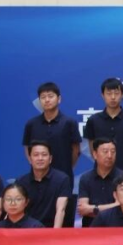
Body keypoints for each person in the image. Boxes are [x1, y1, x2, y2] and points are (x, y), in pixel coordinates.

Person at [21, 82, 81, 227]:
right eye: (43, 97)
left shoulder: (69, 122)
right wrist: (35, 165)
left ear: (59, 99)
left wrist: (67, 166)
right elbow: (27, 147)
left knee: (63, 215)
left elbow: (76, 150)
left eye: (50, 96)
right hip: (37, 178)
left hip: (63, 176)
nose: (47, 100)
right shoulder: (32, 124)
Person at [83, 78, 123, 173]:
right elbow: (92, 149)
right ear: (102, 95)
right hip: (100, 174)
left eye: (116, 93)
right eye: (109, 93)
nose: (113, 97)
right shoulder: (93, 120)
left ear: (122, 95)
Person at [14, 140, 72, 228]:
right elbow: (15, 210)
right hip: (26, 230)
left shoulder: (62, 179)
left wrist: (55, 234)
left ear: (50, 159)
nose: (40, 158)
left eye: (44, 155)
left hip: (51, 229)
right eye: (36, 155)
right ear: (30, 159)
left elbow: (61, 209)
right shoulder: (21, 182)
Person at [76, 138, 121, 228]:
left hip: (115, 229)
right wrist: (112, 208)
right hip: (90, 229)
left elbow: (121, 207)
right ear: (95, 154)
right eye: (105, 151)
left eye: (113, 152)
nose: (109, 156)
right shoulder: (85, 178)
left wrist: (93, 209)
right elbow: (83, 210)